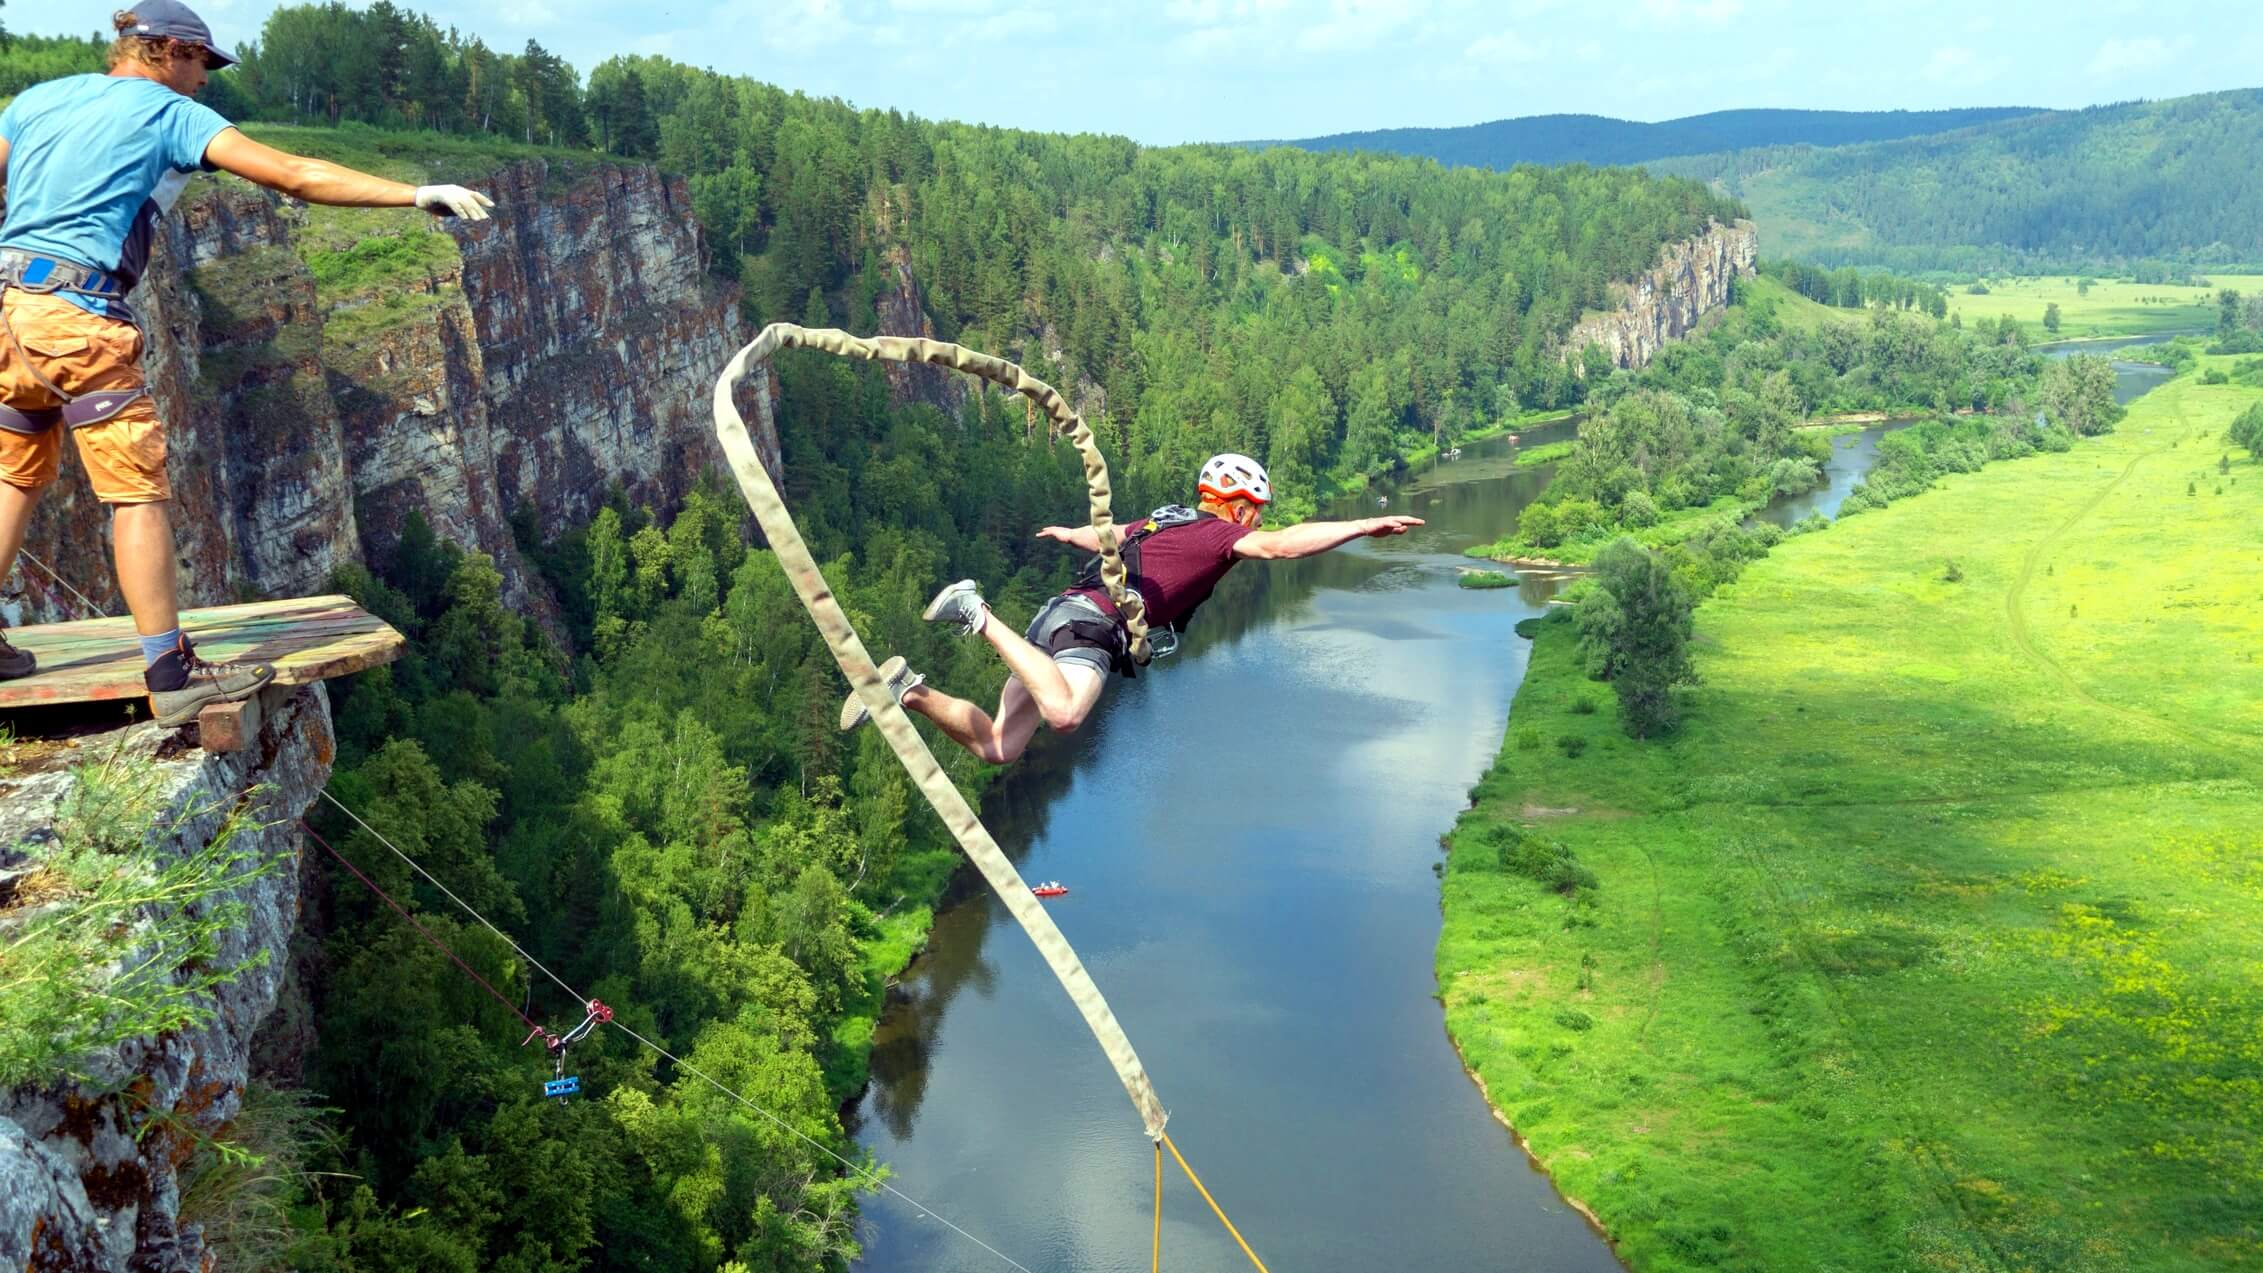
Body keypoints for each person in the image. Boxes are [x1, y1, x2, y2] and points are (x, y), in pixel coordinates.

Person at [0, 1, 495, 725]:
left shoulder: (39, 99)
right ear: (167, 52)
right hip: (81, 317)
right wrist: (415, 193)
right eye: (202, 64)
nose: (205, 82)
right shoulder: (170, 115)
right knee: (137, 489)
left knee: (13, 469)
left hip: (9, 311)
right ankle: (172, 672)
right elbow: (292, 174)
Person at [842, 452, 1423, 764]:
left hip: (1061, 615)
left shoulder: (1169, 519)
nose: (1259, 522)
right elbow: (1281, 546)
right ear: (1239, 507)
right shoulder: (1219, 536)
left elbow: (1112, 535)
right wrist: (1363, 525)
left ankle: (908, 690)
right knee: (1065, 716)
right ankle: (977, 613)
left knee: (999, 746)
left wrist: (1068, 533)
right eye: (1256, 509)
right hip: (1093, 628)